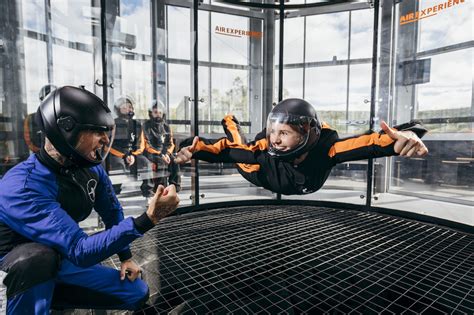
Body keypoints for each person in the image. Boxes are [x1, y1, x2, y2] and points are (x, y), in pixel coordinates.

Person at [0, 86, 180, 314]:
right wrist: (149, 218)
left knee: (135, 292)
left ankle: (50, 299)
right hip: (13, 267)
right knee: (36, 259)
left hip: (59, 256)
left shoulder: (89, 168)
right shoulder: (22, 186)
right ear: (65, 131)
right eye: (97, 132)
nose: (105, 139)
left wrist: (126, 257)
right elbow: (80, 249)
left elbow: (112, 212)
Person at [175, 98, 428, 195]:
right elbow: (224, 151)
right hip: (259, 174)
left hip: (290, 177)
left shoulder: (327, 149)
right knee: (240, 145)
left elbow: (369, 143)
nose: (275, 139)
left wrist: (407, 133)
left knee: (247, 146)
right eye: (273, 131)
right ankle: (230, 122)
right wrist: (192, 148)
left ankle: (232, 123)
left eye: (283, 133)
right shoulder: (263, 152)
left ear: (308, 134)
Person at [108, 96, 154, 197]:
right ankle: (114, 194)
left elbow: (140, 144)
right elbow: (107, 145)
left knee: (146, 163)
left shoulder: (137, 124)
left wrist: (133, 155)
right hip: (116, 154)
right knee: (118, 165)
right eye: (124, 107)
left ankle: (148, 194)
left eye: (129, 107)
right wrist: (124, 156)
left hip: (133, 154)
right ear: (118, 110)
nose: (128, 109)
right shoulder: (112, 124)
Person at [143, 100, 181, 192]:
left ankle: (174, 188)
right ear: (151, 113)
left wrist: (167, 154)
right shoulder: (146, 126)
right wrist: (160, 155)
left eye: (160, 112)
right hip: (151, 153)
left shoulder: (166, 126)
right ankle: (159, 189)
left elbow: (171, 144)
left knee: (175, 161)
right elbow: (146, 144)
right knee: (161, 162)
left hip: (165, 153)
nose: (158, 114)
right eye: (155, 112)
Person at [23, 84, 57, 153]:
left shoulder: (62, 116)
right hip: (39, 154)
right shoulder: (31, 118)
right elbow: (28, 140)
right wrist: (42, 153)